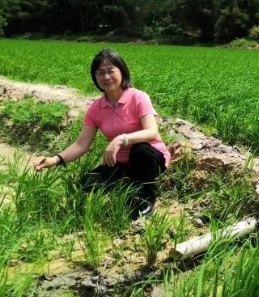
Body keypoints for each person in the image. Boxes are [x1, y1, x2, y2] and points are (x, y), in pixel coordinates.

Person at [34, 48, 171, 218]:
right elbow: (81, 144)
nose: (106, 77)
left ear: (122, 71)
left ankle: (146, 199)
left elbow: (151, 132)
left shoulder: (138, 97)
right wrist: (55, 160)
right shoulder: (95, 108)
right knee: (87, 184)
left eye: (111, 71)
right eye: (100, 73)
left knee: (140, 150)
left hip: (150, 158)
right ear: (95, 77)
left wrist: (122, 139)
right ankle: (128, 183)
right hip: (120, 163)